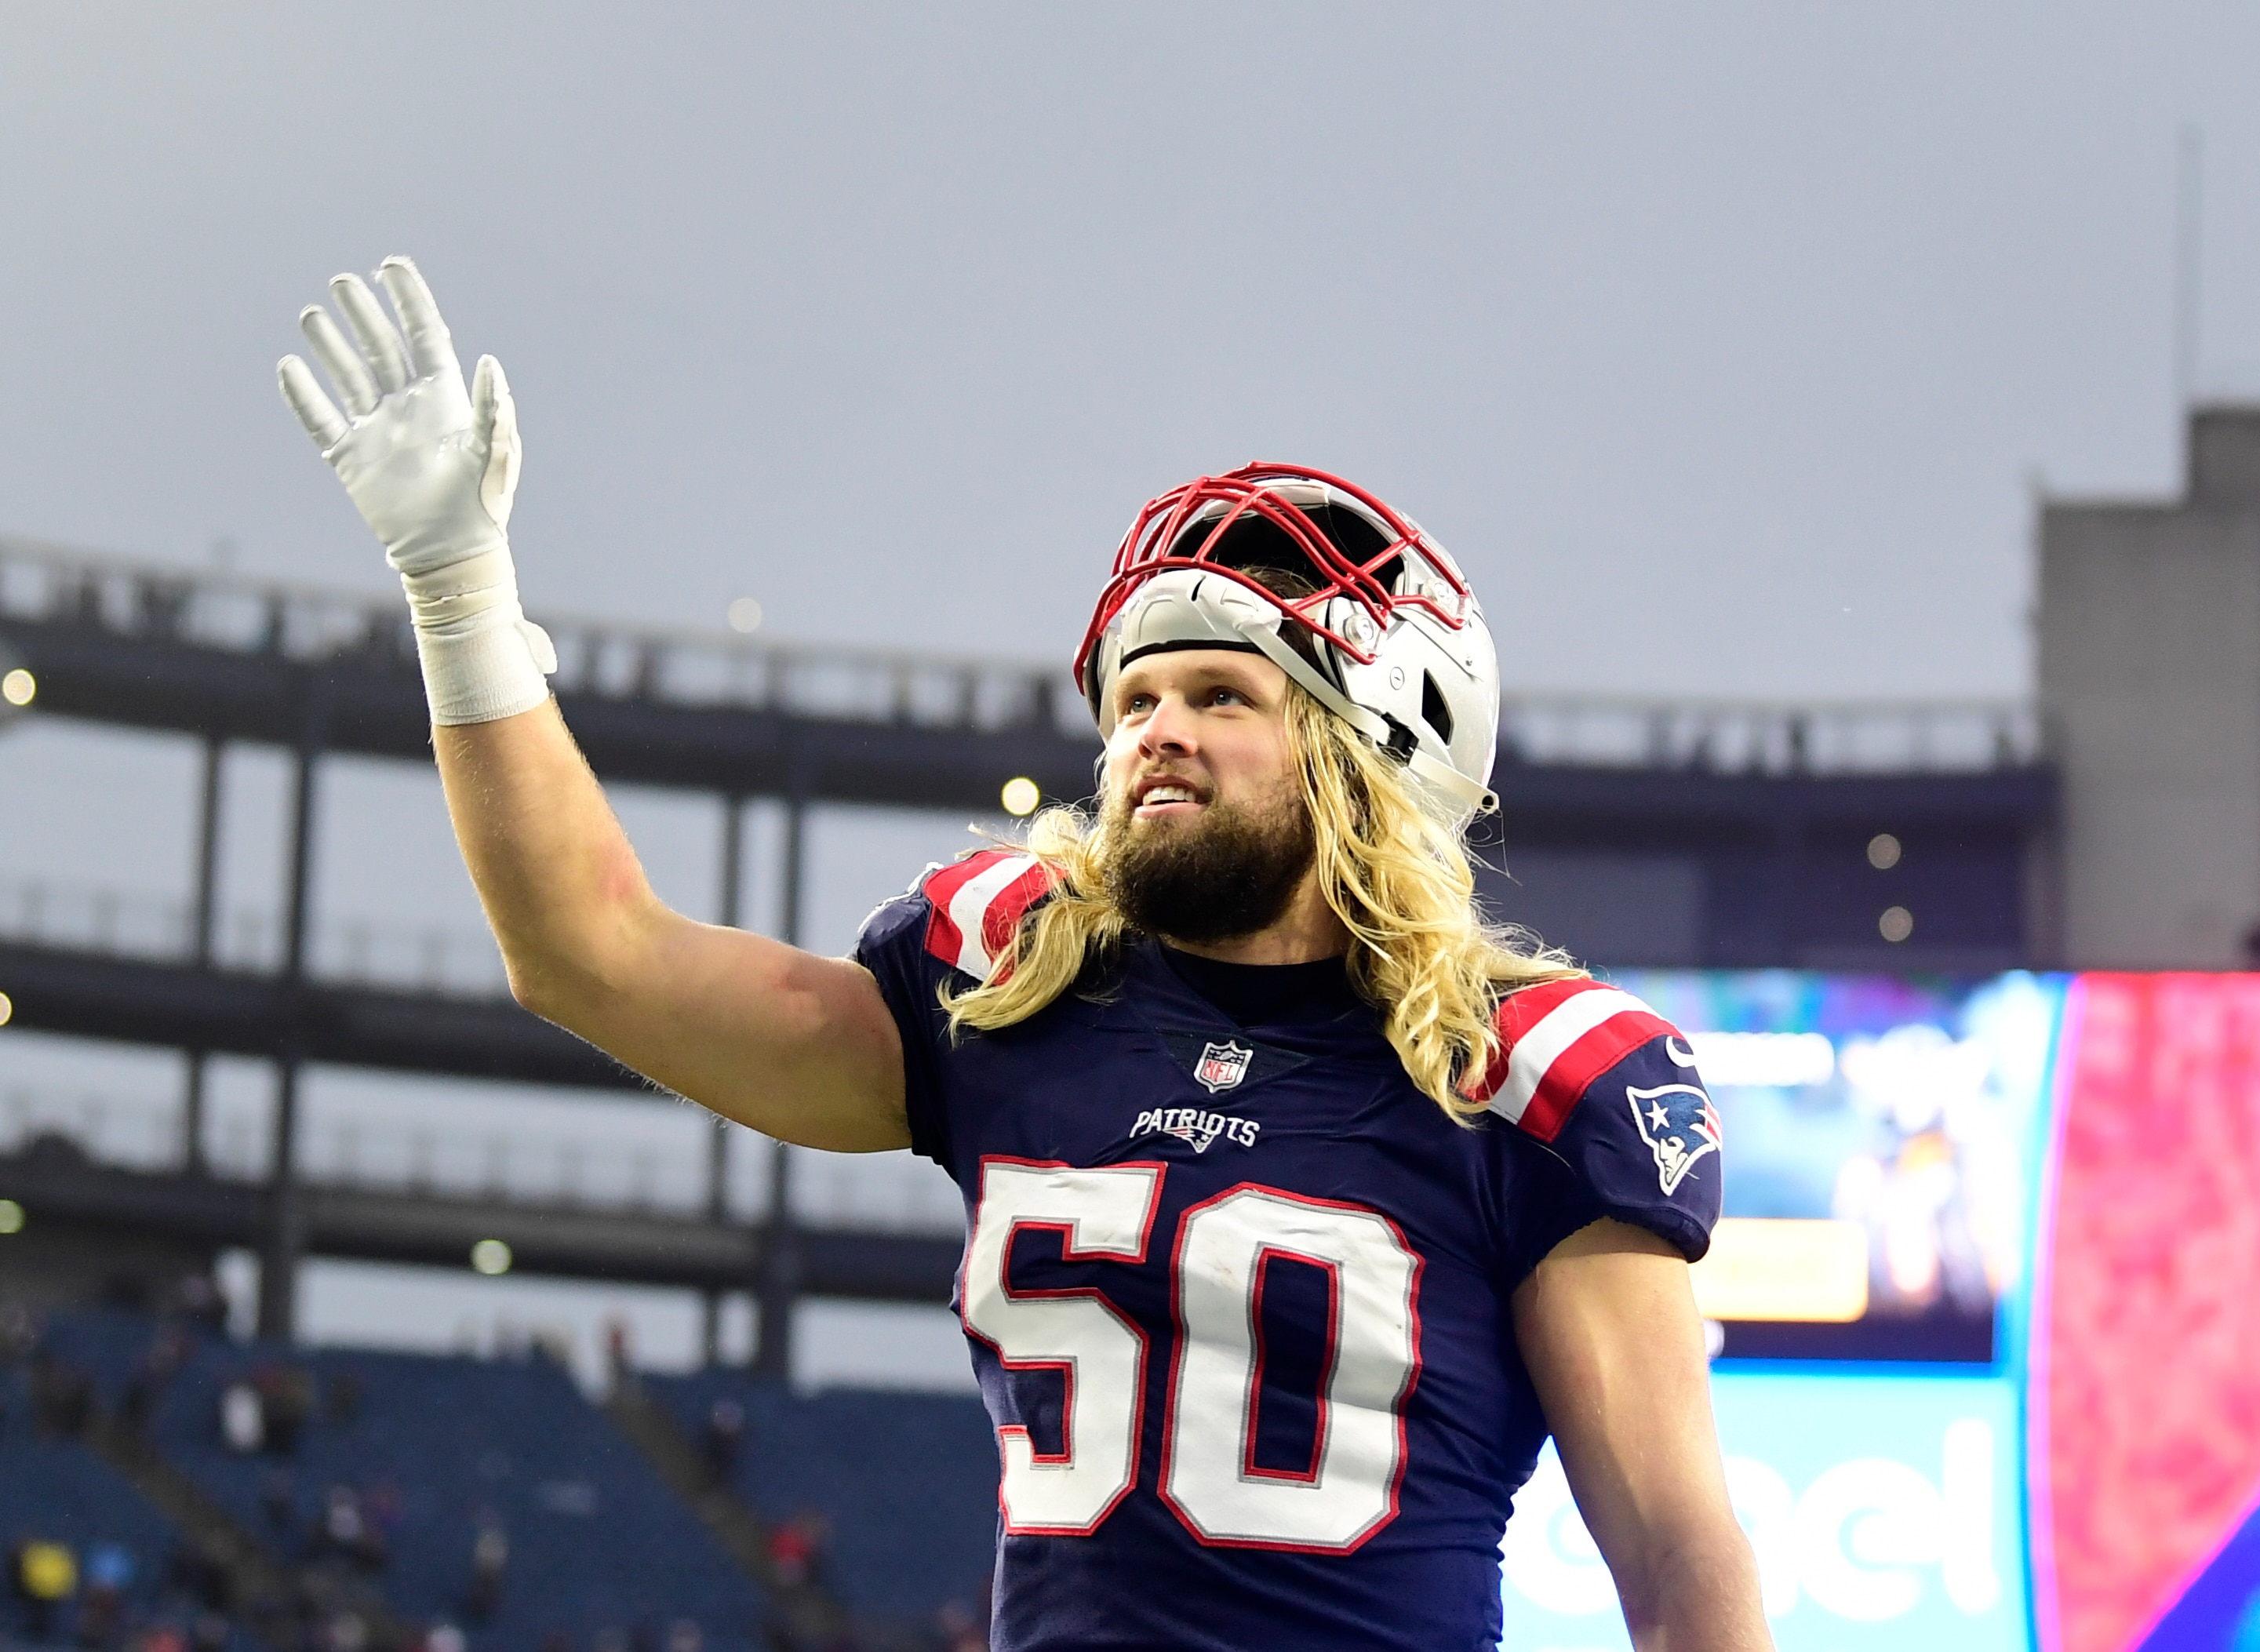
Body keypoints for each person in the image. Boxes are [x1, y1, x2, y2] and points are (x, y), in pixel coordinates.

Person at [275, 259, 1769, 1652]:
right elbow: (592, 957)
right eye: (1133, 700)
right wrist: (459, 591)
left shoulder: (1521, 1075)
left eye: (1222, 694)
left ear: (1368, 754)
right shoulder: (1020, 990)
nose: (1153, 731)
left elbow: (1673, 1546)